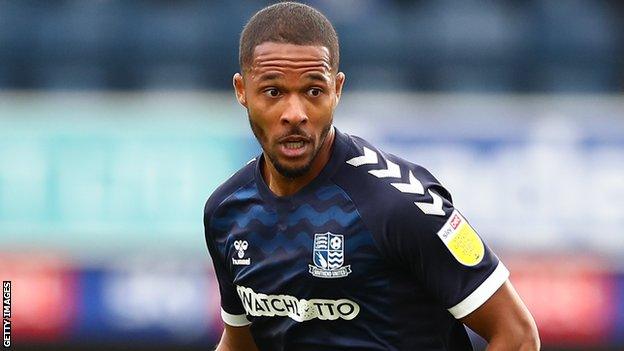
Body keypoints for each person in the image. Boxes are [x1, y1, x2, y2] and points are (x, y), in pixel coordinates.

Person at [204, 2, 540, 350]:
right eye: (273, 92)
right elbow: (242, 342)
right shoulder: (227, 212)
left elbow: (516, 334)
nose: (295, 113)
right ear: (242, 90)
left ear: (337, 89)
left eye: (313, 91)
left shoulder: (398, 204)